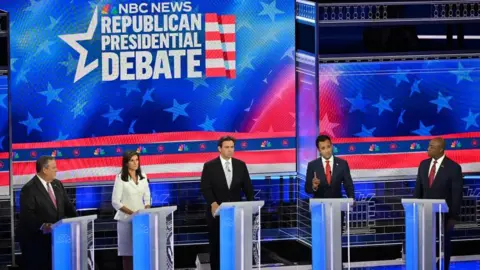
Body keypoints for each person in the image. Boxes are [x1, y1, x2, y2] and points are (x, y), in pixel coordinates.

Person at [200, 136, 255, 270]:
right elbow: (205, 188)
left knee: (235, 244)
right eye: (227, 147)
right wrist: (213, 203)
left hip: (236, 214)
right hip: (216, 214)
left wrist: (251, 206)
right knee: (217, 246)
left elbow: (248, 188)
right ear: (220, 149)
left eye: (232, 147)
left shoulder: (240, 165)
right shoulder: (209, 166)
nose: (230, 150)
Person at [18, 156, 77, 270]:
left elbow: (68, 206)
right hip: (38, 244)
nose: (57, 170)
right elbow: (27, 215)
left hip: (59, 240)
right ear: (44, 170)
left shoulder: (57, 184)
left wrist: (77, 221)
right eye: (54, 167)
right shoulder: (29, 189)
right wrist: (43, 225)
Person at [413, 137, 463, 270]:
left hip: (444, 215)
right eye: (429, 146)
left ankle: (443, 267)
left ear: (441, 149)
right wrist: (414, 209)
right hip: (425, 213)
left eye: (432, 147)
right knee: (425, 243)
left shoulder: (454, 168)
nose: (428, 149)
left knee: (444, 244)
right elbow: (418, 189)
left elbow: (457, 194)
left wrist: (453, 217)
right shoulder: (423, 165)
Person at [112, 151, 151, 270]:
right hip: (126, 220)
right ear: (126, 163)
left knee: (142, 250)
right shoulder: (120, 178)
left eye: (137, 160)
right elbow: (115, 202)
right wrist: (133, 214)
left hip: (141, 220)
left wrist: (146, 209)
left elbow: (147, 196)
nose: (135, 163)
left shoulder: (143, 176)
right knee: (128, 253)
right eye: (132, 160)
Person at [305, 135, 355, 200]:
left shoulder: (342, 164)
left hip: (337, 205)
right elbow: (307, 189)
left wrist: (351, 198)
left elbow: (348, 185)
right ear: (319, 150)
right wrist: (314, 186)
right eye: (323, 148)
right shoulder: (312, 165)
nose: (327, 150)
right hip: (319, 206)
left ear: (331, 146)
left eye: (328, 147)